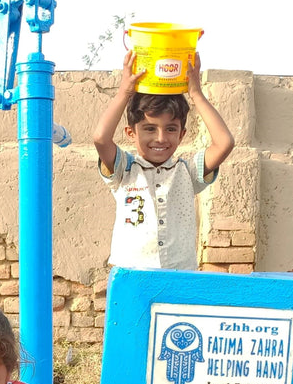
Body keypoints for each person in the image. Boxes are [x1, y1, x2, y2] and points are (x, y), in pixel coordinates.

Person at [93, 50, 234, 270]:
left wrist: (195, 93)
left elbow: (224, 142)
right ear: (131, 133)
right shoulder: (124, 170)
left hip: (180, 277)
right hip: (132, 278)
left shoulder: (188, 173)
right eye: (149, 129)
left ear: (182, 134)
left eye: (170, 129)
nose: (160, 138)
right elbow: (101, 138)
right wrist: (124, 91)